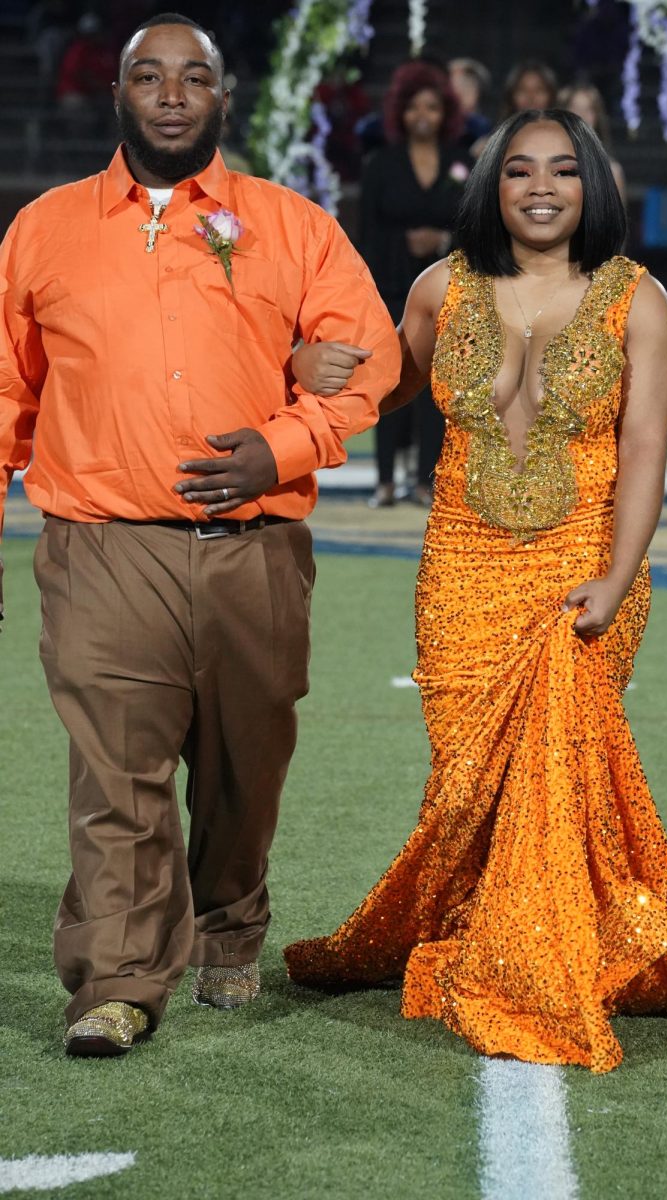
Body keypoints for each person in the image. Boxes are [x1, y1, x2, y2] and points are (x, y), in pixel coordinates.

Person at [285, 109, 667, 1072]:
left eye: (563, 171)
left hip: (583, 568)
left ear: (593, 186)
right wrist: (302, 367)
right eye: (520, 171)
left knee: (556, 777)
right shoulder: (438, 289)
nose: (542, 187)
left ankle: (538, 959)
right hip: (460, 572)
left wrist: (619, 573)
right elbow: (373, 391)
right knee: (470, 788)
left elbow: (645, 456)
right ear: (493, 188)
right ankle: (491, 931)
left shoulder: (641, 303)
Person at [0, 11, 399, 1057]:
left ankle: (229, 925)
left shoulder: (292, 224)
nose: (171, 92)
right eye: (148, 75)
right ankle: (117, 981)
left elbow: (369, 355)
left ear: (223, 99)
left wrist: (286, 442)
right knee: (116, 778)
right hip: (102, 548)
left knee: (241, 768)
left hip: (256, 551)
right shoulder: (43, 229)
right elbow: (4, 392)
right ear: (118, 95)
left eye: (193, 77)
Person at [359, 62, 469, 506]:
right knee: (388, 379)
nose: (423, 115)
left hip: (448, 290)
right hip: (391, 285)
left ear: (446, 113)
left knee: (438, 390)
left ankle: (426, 481)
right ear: (400, 112)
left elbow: (473, 224)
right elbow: (366, 231)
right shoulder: (380, 164)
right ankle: (384, 480)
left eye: (433, 107)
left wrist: (442, 239)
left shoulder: (463, 163)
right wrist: (404, 240)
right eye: (415, 107)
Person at [558, 82, 626, 203]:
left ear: (597, 117)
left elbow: (616, 220)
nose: (582, 115)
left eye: (589, 109)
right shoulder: (546, 164)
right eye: (576, 108)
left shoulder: (611, 171)